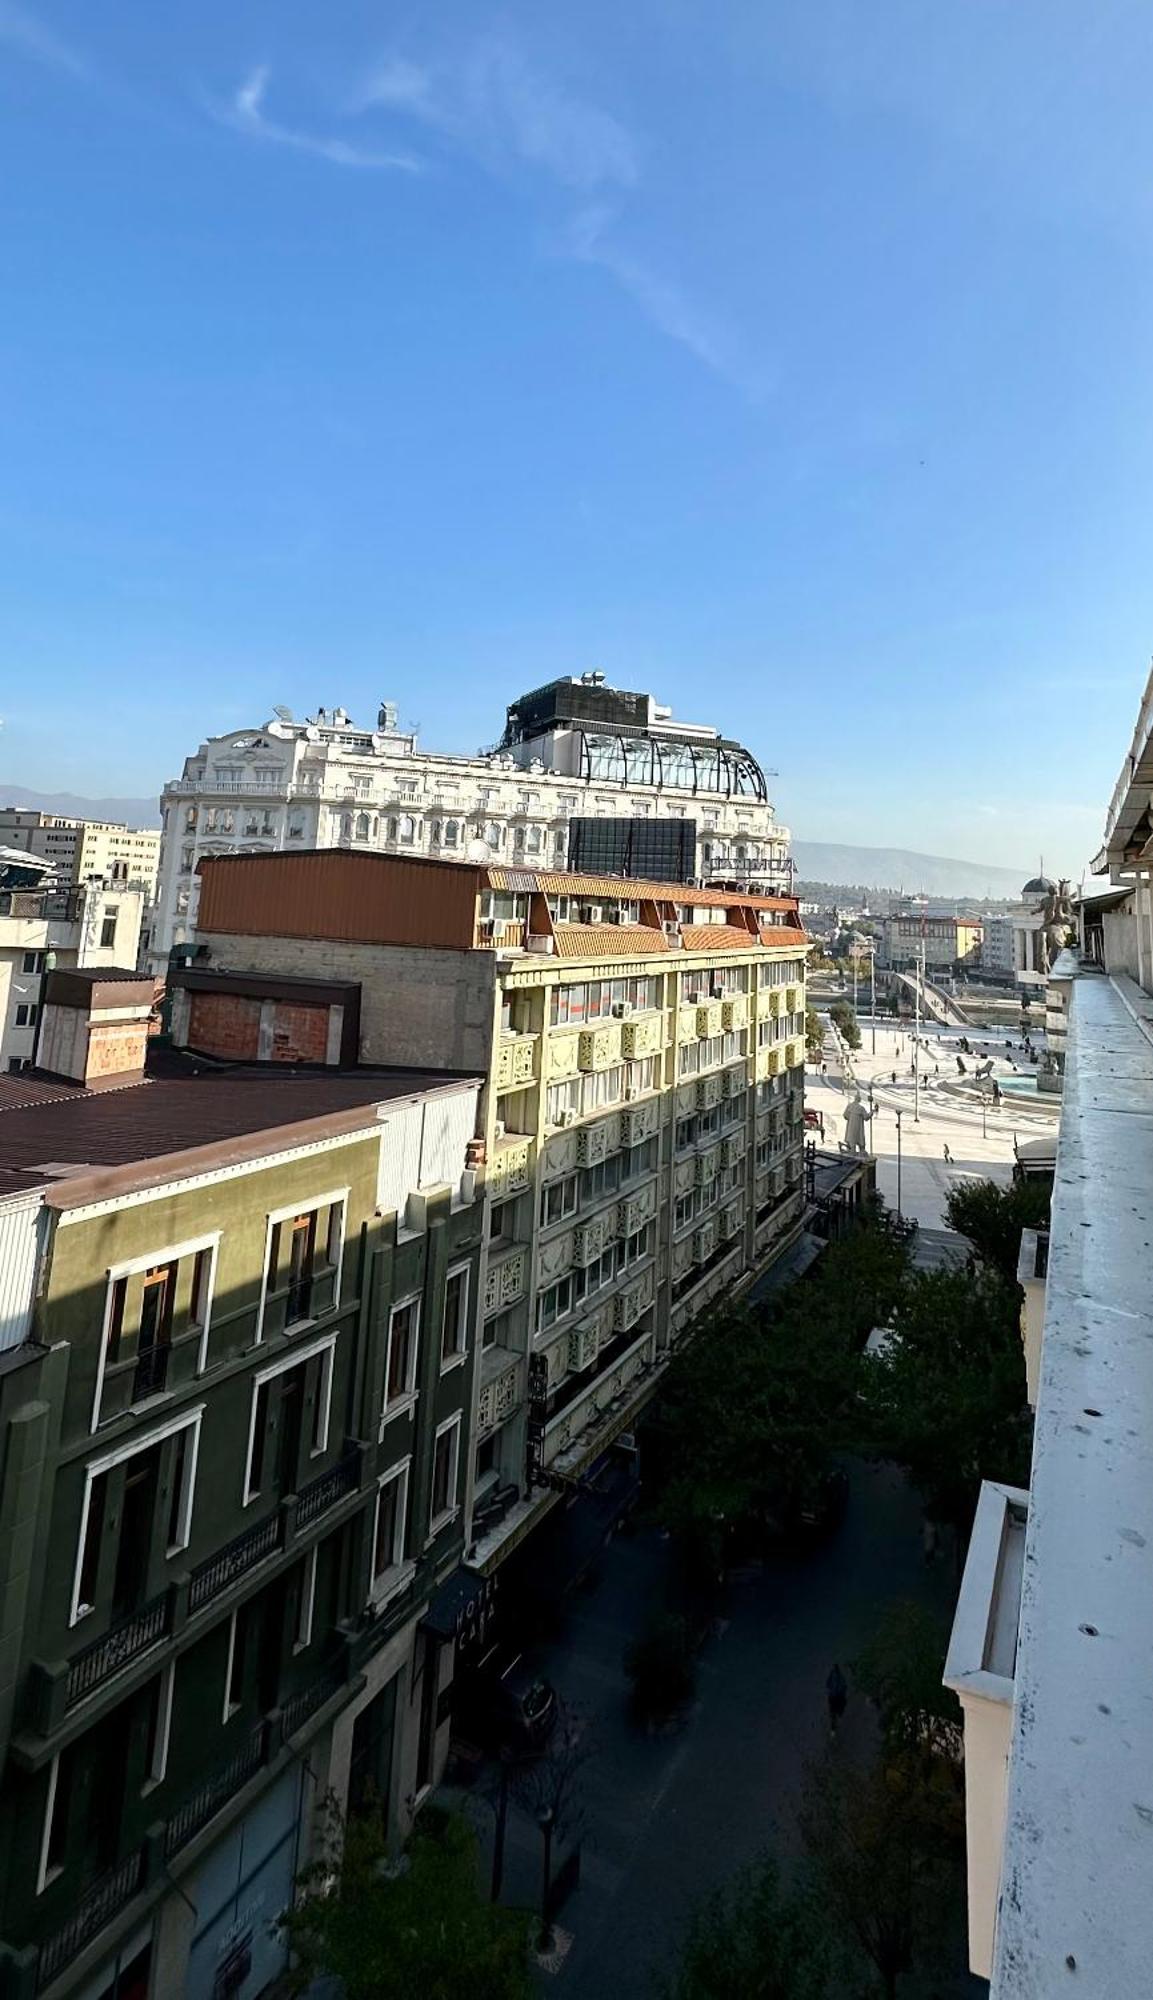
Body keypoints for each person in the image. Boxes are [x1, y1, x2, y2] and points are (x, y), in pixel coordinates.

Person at [826, 1662, 848, 1733]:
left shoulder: (831, 1675)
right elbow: (844, 1687)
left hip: (832, 1697)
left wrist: (830, 1691)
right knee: (841, 1707)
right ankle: (838, 1714)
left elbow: (827, 1684)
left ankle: (833, 1731)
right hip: (837, 1697)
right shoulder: (840, 1677)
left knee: (833, 1714)